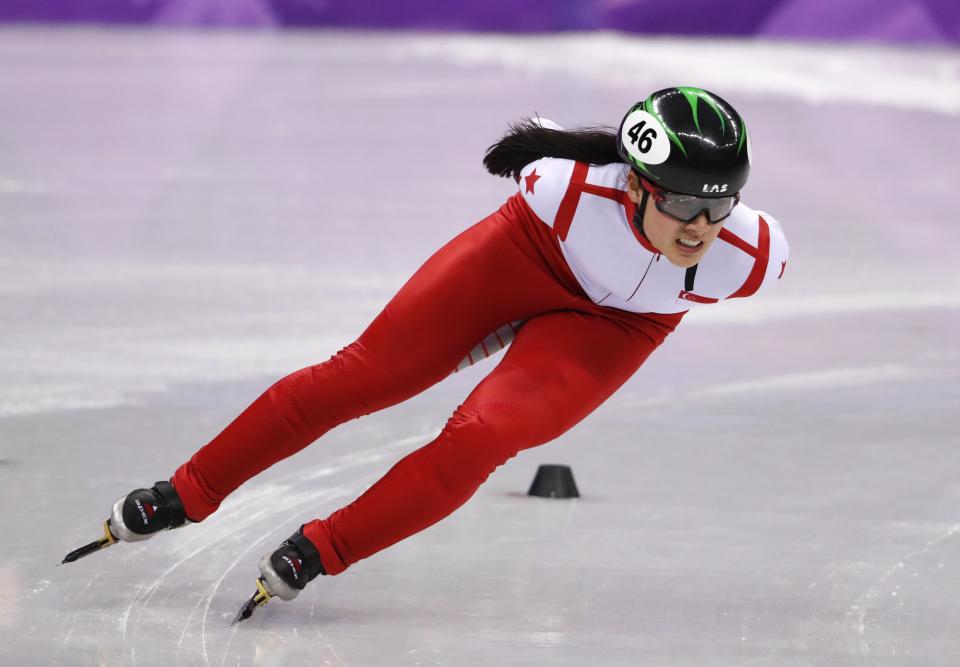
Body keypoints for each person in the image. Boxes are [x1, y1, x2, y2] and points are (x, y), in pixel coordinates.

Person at [80, 86, 789, 616]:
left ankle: (326, 547)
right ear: (635, 184)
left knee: (481, 437)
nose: (700, 226)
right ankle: (188, 492)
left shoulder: (751, 257)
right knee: (360, 376)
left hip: (617, 326)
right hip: (528, 254)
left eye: (719, 205)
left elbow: (713, 232)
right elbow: (553, 151)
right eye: (683, 204)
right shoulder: (558, 188)